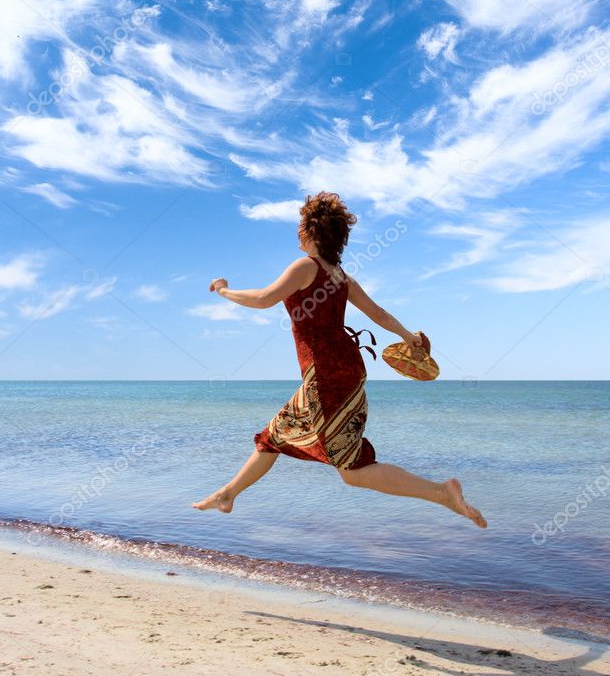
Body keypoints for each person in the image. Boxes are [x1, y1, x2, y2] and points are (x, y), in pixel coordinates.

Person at [192, 192, 487, 528]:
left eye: (301, 225)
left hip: (327, 375)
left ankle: (442, 493)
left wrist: (225, 291)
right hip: (348, 370)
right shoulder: (342, 278)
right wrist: (410, 338)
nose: (297, 232)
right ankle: (229, 493)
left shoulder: (306, 267)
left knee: (352, 469)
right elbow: (379, 313)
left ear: (311, 231)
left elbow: (263, 299)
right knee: (277, 437)